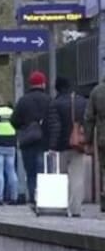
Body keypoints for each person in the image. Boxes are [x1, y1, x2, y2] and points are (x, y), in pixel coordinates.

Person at [47, 78, 89, 217]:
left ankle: (62, 206)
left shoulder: (55, 103)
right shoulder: (82, 101)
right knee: (77, 177)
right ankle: (76, 209)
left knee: (61, 177)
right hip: (78, 145)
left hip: (61, 147)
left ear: (57, 88)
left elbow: (55, 127)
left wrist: (52, 146)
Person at [11, 71, 52, 204]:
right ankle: (44, 198)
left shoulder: (23, 100)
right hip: (45, 141)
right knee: (43, 171)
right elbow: (53, 120)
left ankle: (34, 198)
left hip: (28, 142)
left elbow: (14, 120)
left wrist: (24, 127)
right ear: (43, 83)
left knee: (31, 173)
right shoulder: (49, 99)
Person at [84, 77, 105, 213]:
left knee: (103, 169)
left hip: (103, 137)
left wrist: (88, 140)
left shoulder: (97, 91)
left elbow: (89, 117)